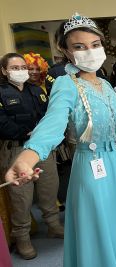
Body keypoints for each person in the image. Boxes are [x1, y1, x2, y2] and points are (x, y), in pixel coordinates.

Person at [4, 13, 116, 267]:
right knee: (102, 231)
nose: (89, 52)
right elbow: (52, 125)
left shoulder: (106, 85)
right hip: (92, 167)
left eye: (95, 45)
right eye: (79, 47)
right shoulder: (66, 85)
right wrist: (27, 157)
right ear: (65, 51)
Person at [0, 52, 64, 260]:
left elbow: (49, 116)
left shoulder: (37, 90)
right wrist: (25, 133)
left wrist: (41, 134)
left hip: (41, 148)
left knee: (49, 188)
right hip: (16, 148)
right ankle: (22, 238)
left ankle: (53, 225)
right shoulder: (1, 92)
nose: (21, 72)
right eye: (15, 68)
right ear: (4, 71)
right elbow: (2, 123)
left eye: (23, 68)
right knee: (22, 198)